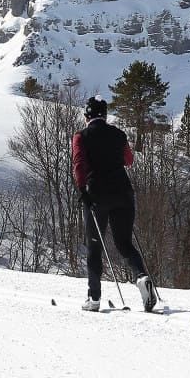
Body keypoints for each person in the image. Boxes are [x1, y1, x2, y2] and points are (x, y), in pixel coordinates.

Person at [72, 95, 157, 312]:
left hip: (96, 195)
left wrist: (82, 190)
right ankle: (141, 277)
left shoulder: (81, 136)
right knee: (124, 243)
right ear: (105, 115)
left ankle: (94, 298)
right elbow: (128, 160)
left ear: (87, 116)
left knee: (94, 246)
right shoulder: (119, 134)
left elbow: (79, 164)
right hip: (123, 193)